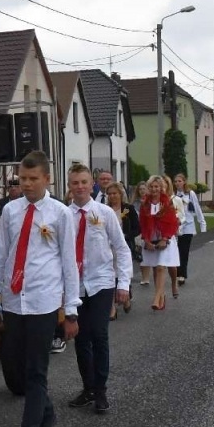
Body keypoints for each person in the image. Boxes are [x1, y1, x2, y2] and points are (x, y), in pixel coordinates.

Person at [0, 151, 79, 427]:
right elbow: (0, 256)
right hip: (14, 301)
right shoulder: (11, 211)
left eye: (32, 179)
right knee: (20, 367)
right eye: (22, 179)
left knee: (36, 372)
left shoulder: (60, 213)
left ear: (46, 179)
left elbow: (69, 263)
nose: (26, 184)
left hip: (43, 302)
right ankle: (47, 414)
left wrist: (71, 310)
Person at [65, 164, 132, 413]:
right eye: (75, 183)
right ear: (69, 186)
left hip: (102, 282)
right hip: (76, 285)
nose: (80, 187)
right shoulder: (63, 216)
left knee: (99, 334)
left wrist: (123, 283)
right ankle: (88, 387)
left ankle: (101, 390)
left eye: (84, 182)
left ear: (91, 185)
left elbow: (121, 248)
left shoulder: (104, 213)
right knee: (81, 338)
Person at [137, 176, 181, 311]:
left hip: (166, 238)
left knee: (162, 266)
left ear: (161, 188)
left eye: (156, 186)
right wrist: (146, 240)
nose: (154, 189)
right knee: (156, 268)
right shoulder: (145, 204)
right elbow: (142, 224)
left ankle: (157, 297)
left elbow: (172, 223)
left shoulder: (167, 202)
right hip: (151, 239)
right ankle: (161, 297)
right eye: (151, 186)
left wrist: (165, 238)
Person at [106, 181, 138, 317]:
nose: (112, 196)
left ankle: (126, 297)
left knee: (123, 272)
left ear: (120, 194)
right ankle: (112, 307)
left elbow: (137, 228)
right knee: (110, 275)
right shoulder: (105, 210)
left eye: (115, 193)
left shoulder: (128, 209)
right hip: (108, 247)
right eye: (110, 194)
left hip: (124, 245)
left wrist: (126, 236)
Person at [172, 173, 207, 286]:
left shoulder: (190, 194)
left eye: (179, 181)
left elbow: (197, 208)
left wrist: (202, 224)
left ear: (184, 182)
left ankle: (182, 274)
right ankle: (177, 273)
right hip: (176, 226)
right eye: (176, 181)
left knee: (184, 251)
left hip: (188, 226)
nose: (177, 183)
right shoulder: (173, 195)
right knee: (176, 251)